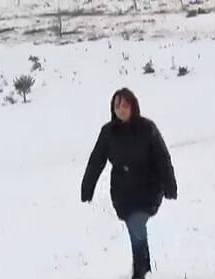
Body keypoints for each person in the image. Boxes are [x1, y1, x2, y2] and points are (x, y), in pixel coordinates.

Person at [81, 88, 177, 279]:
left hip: (148, 189)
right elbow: (96, 160)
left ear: (133, 106)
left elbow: (162, 157)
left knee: (137, 225)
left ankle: (140, 271)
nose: (121, 110)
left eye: (125, 105)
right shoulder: (108, 132)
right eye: (117, 106)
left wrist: (169, 185)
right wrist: (87, 188)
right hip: (123, 192)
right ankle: (146, 267)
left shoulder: (147, 128)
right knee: (136, 228)